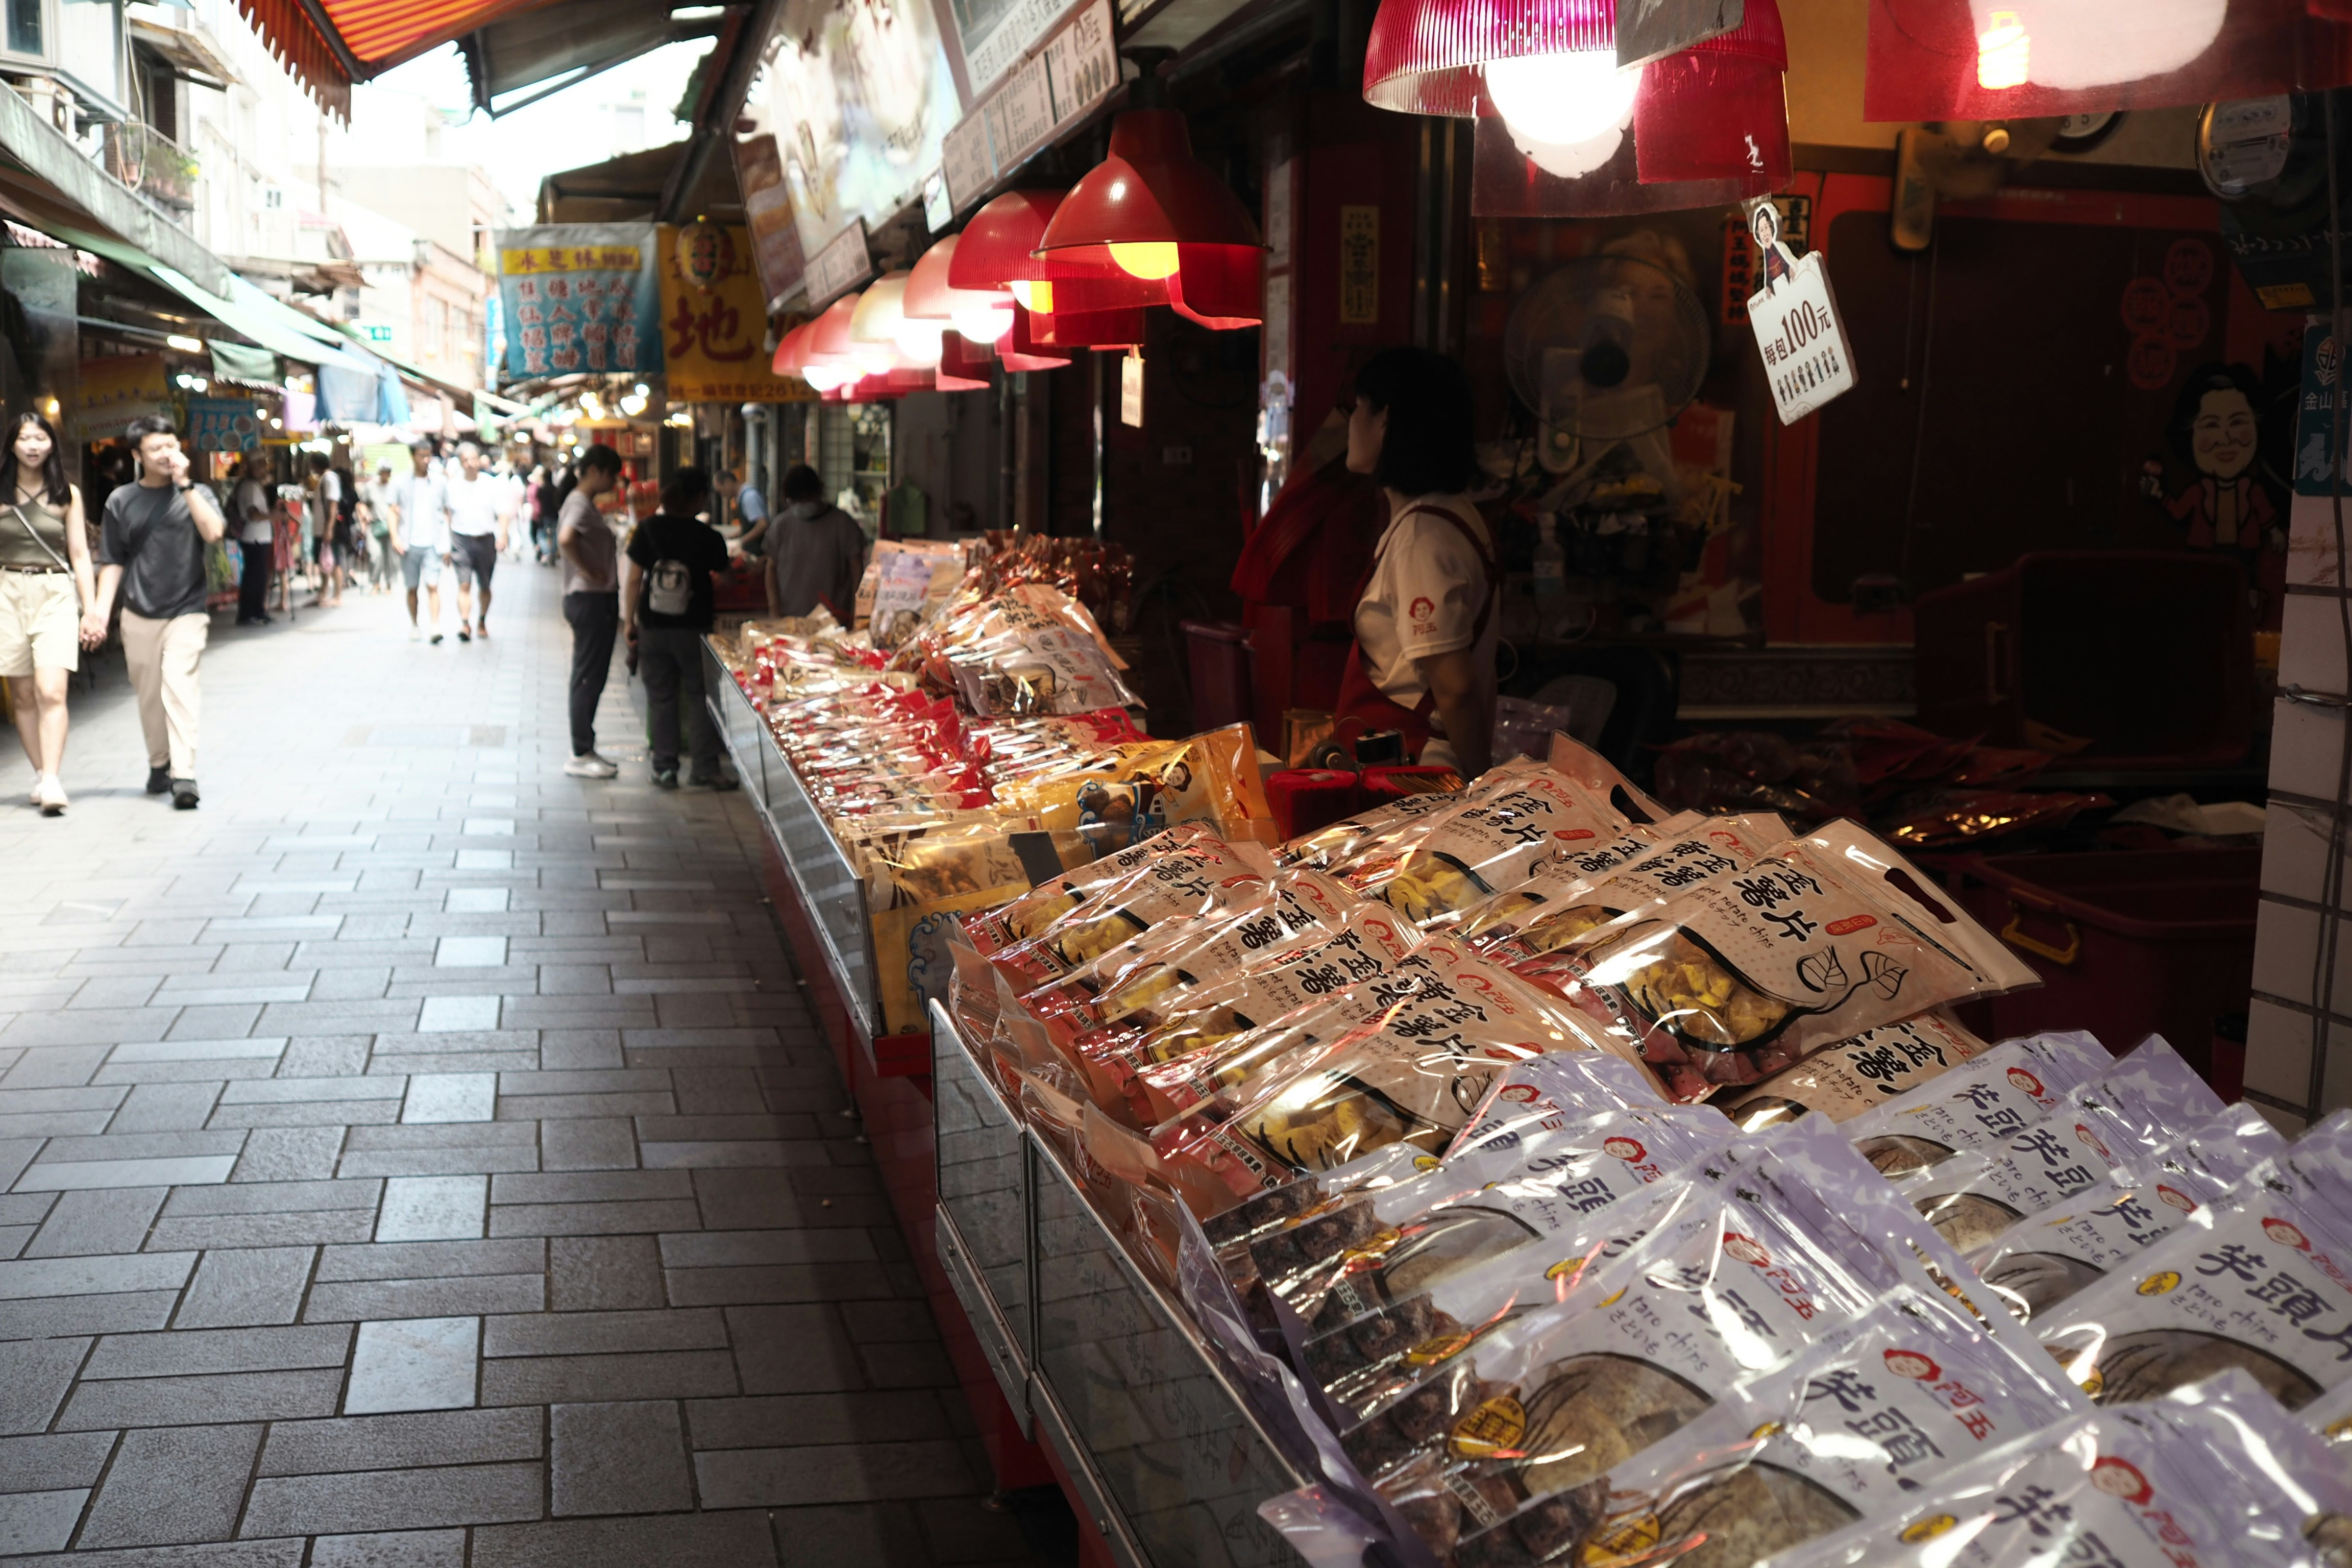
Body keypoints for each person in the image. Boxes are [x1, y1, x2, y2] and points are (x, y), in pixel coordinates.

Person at [1334, 346, 1497, 777]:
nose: (1350, 422)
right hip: (1410, 768)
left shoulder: (1421, 537)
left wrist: (1483, 787)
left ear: (1386, 419)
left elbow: (1457, 687)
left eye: (1357, 409)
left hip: (1418, 776)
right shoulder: (1449, 514)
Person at [90, 414, 226, 810]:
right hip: (138, 611)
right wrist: (100, 613)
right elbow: (112, 560)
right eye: (155, 449)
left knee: (179, 687)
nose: (166, 454)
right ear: (137, 455)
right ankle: (159, 763)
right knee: (149, 694)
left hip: (187, 609)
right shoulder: (121, 500)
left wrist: (185, 486)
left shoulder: (199, 492)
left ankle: (184, 775)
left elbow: (214, 533)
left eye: (171, 445)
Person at [0, 411, 100, 815]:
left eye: (40, 437)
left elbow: (79, 555)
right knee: (21, 695)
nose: (33, 445)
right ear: (11, 444)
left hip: (55, 590)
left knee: (51, 690)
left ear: (52, 444)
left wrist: (91, 611)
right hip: (7, 591)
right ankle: (42, 774)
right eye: (25, 438)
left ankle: (53, 778)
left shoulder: (67, 494)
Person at [623, 465, 737, 790]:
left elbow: (633, 579)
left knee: (661, 698)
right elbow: (728, 577)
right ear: (699, 498)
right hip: (695, 629)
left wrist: (628, 621)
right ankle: (703, 767)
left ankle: (665, 767)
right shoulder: (708, 537)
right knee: (701, 697)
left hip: (654, 627)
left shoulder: (647, 529)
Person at [555, 444, 625, 779]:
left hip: (591, 598)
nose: (614, 482)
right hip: (590, 599)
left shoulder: (580, 502)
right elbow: (566, 538)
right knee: (587, 675)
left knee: (590, 674)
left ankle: (585, 746)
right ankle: (581, 752)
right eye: (613, 475)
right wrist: (588, 571)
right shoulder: (580, 503)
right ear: (596, 470)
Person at [765, 463, 865, 620]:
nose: (803, 504)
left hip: (835, 621)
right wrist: (774, 609)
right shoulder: (781, 526)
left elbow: (857, 571)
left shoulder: (843, 525)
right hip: (790, 620)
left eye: (808, 499)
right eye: (798, 501)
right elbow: (771, 569)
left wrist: (857, 612)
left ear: (819, 492)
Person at [445, 442, 512, 642]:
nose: (471, 464)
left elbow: (502, 511)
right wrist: (445, 545)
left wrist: (503, 535)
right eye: (466, 460)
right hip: (461, 539)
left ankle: (482, 620)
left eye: (474, 459)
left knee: (485, 585)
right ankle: (465, 624)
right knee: (464, 585)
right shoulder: (452, 486)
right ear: (460, 462)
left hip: (485, 539)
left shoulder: (490, 483)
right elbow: (447, 516)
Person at [387, 440, 450, 643]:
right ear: (413, 456)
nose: (426, 460)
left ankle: (435, 626)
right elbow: (392, 510)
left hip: (433, 542)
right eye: (422, 455)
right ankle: (415, 625)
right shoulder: (400, 481)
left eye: (429, 455)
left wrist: (447, 543)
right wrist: (395, 536)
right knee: (412, 587)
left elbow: (447, 513)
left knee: (433, 586)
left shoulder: (440, 481)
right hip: (409, 543)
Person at [232, 454, 274, 625]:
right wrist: (274, 516)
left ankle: (257, 610)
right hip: (254, 536)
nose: (265, 470)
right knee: (254, 576)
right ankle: (249, 612)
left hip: (260, 536)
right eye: (261, 466)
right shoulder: (249, 486)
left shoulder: (255, 485)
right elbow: (253, 514)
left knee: (259, 575)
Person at [306, 452, 340, 607]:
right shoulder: (324, 479)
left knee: (333, 562)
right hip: (321, 528)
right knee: (324, 562)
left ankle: (337, 596)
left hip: (325, 528)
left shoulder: (329, 479)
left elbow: (333, 504)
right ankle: (323, 593)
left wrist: (329, 528)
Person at [359, 460, 397, 594]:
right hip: (375, 524)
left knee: (390, 557)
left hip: (391, 525)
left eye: (388, 472)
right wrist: (365, 515)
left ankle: (389, 583)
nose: (385, 474)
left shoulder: (394, 487)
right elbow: (362, 504)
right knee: (376, 555)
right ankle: (375, 583)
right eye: (384, 471)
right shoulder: (370, 487)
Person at [717, 467, 768, 555]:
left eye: (721, 491)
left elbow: (763, 524)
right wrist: (730, 537)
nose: (723, 495)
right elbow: (749, 526)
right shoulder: (741, 498)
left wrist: (741, 541)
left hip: (758, 553)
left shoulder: (749, 497)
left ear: (728, 482)